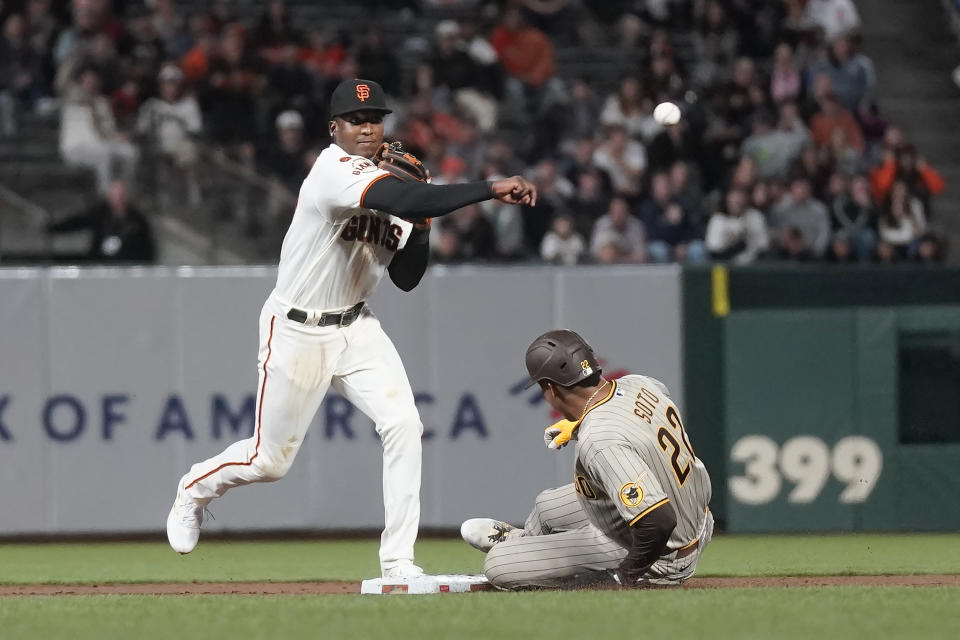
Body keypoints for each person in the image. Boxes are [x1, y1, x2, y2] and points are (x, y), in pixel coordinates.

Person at [165, 79, 536, 578]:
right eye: (356, 120)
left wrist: (422, 223)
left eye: (375, 119)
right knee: (268, 462)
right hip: (297, 328)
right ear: (334, 128)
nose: (367, 128)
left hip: (357, 327)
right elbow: (402, 199)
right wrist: (486, 188)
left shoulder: (400, 193)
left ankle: (398, 561)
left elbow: (406, 276)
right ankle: (194, 489)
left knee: (404, 425)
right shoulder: (332, 168)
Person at [460, 329, 712, 590]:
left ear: (550, 389)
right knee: (546, 506)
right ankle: (523, 541)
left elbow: (658, 522)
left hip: (664, 554)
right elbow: (638, 424)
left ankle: (520, 553)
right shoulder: (639, 383)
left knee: (498, 565)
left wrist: (623, 576)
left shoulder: (599, 441)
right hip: (693, 510)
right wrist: (581, 424)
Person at [46, 180, 156, 263]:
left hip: (126, 265)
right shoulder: (99, 214)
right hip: (100, 264)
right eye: (115, 196)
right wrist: (53, 228)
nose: (118, 199)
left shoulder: (138, 220)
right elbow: (77, 222)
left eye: (121, 196)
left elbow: (147, 247)